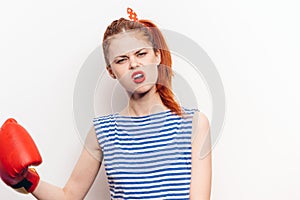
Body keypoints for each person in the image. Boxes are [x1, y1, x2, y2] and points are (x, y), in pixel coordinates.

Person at [0, 17, 212, 199]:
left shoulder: (193, 124)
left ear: (157, 56)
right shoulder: (103, 132)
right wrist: (26, 180)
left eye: (141, 54)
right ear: (111, 71)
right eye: (122, 60)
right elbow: (69, 196)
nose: (134, 65)